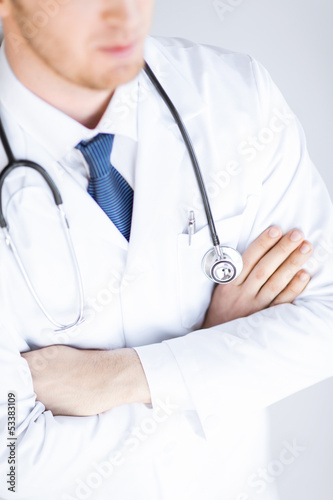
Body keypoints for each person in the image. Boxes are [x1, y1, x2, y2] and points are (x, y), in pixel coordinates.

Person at [0, 1, 332, 499]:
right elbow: (13, 466)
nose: (125, 14)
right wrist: (214, 359)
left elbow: (324, 322)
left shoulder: (233, 94)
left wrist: (118, 377)